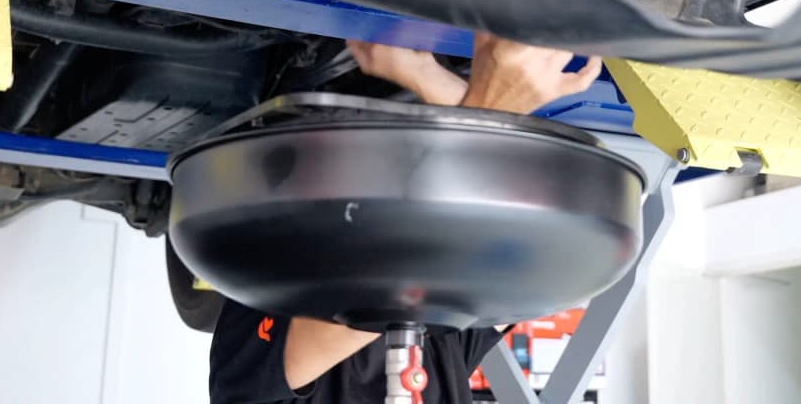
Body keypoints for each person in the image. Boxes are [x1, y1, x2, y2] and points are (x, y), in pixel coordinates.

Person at [208, 33, 603, 404]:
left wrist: (489, 109)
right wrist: (434, 81)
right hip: (387, 113)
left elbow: (378, 292)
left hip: (296, 141)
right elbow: (534, 231)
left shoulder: (254, 385)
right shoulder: (444, 369)